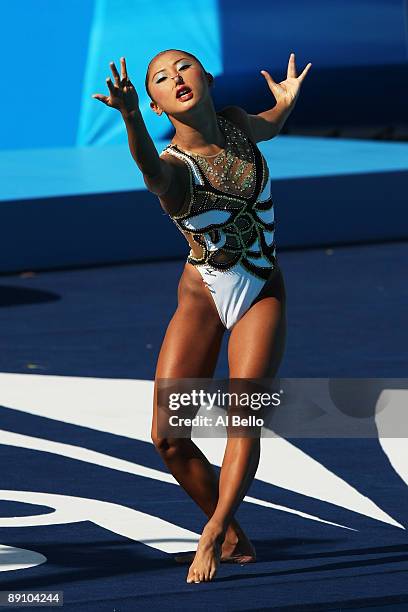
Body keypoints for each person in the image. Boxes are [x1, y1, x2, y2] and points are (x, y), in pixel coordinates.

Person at [92, 49, 311, 583]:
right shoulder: (173, 171)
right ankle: (235, 536)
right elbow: (147, 167)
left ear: (207, 78)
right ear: (157, 104)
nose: (176, 79)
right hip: (202, 295)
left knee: (244, 420)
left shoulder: (236, 123)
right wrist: (128, 119)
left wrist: (283, 107)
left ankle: (214, 531)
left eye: (183, 67)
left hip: (262, 289)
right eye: (161, 80)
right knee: (167, 436)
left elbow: (267, 126)